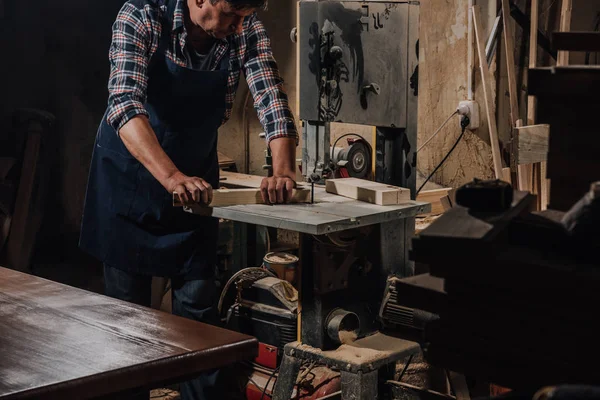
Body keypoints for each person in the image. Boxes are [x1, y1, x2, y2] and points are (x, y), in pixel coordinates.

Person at [79, 0, 298, 398]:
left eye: (243, 17)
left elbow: (271, 101)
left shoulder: (245, 29)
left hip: (195, 187)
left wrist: (282, 171)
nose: (237, 26)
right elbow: (125, 105)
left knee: (198, 311)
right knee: (128, 319)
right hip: (131, 181)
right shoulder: (142, 15)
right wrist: (172, 176)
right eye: (231, 14)